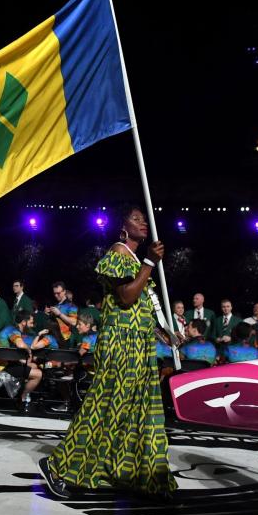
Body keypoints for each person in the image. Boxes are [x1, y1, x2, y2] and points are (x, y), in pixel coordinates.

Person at [40, 204, 175, 499]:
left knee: (137, 411)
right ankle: (57, 466)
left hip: (139, 345)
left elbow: (138, 306)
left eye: (144, 219)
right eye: (136, 219)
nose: (143, 223)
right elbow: (126, 297)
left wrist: (163, 333)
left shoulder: (135, 259)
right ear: (122, 228)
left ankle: (132, 475)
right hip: (120, 346)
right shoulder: (117, 253)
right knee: (104, 407)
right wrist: (150, 263)